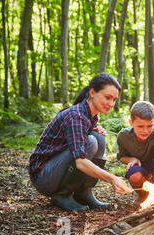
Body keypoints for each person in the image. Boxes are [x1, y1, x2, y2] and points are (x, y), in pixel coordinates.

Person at [29, 73, 133, 212]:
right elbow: (80, 162)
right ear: (92, 92)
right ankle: (62, 195)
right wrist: (112, 179)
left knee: (99, 138)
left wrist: (92, 129)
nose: (111, 104)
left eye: (114, 99)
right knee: (90, 141)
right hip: (44, 177)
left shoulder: (91, 116)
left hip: (55, 170)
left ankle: (83, 193)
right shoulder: (76, 116)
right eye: (107, 97)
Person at [117, 101, 154, 206]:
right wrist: (131, 160)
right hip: (141, 169)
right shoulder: (123, 136)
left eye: (149, 126)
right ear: (131, 123)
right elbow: (121, 157)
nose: (145, 131)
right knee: (134, 174)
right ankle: (145, 195)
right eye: (140, 126)